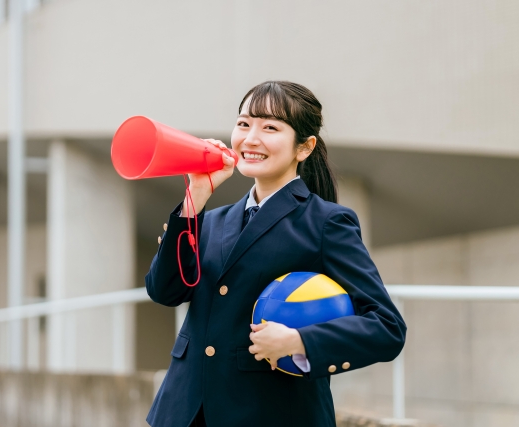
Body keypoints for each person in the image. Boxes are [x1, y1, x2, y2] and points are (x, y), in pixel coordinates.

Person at [145, 81, 406, 427]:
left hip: (270, 413)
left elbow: (387, 327)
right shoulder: (211, 219)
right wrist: (195, 198)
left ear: (304, 147)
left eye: (270, 127)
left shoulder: (326, 223)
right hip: (184, 412)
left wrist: (299, 340)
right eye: (244, 124)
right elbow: (164, 292)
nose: (251, 138)